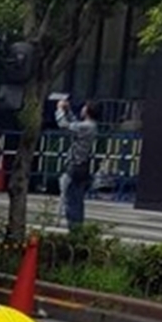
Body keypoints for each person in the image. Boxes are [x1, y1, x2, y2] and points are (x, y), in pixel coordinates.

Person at [55, 98, 97, 229]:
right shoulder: (90, 126)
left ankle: (74, 228)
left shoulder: (87, 126)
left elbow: (63, 124)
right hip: (83, 167)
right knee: (77, 200)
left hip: (75, 166)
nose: (82, 109)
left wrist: (60, 110)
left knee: (72, 199)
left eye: (85, 107)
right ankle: (77, 227)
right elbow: (74, 123)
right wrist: (68, 111)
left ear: (88, 111)